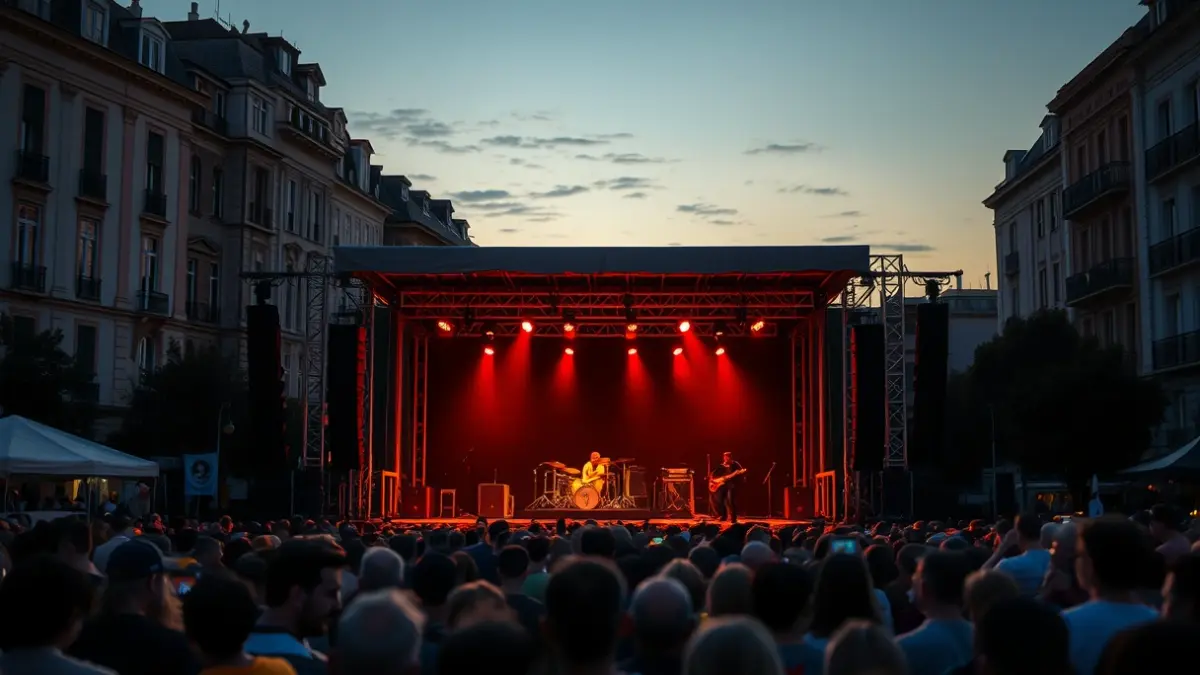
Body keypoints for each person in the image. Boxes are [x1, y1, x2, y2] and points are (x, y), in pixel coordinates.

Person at [710, 451, 744, 523]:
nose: (725, 458)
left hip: (731, 485)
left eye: (726, 457)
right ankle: (724, 516)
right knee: (720, 500)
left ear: (730, 457)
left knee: (730, 501)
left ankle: (733, 518)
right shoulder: (721, 465)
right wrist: (713, 479)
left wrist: (738, 473)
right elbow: (714, 473)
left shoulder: (735, 464)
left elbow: (741, 471)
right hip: (722, 485)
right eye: (724, 457)